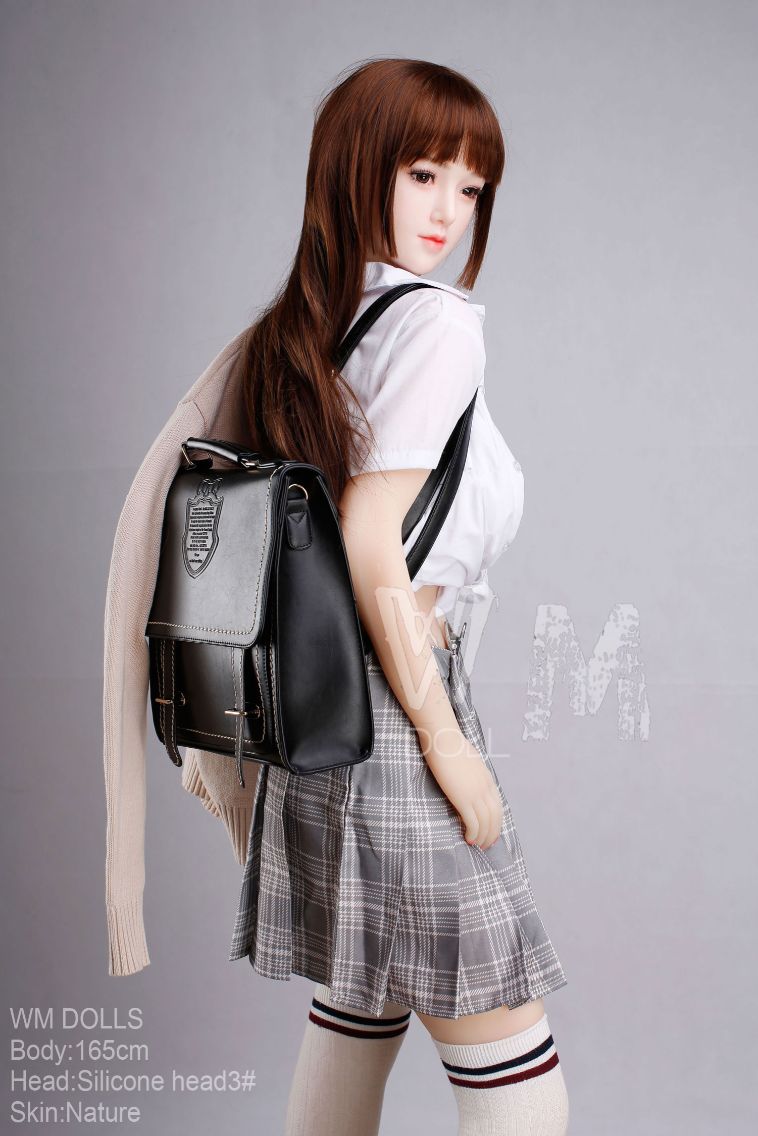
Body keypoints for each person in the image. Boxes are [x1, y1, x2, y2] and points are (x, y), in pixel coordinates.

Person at [221, 58, 570, 1135]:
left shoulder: (308, 325)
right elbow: (372, 533)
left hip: (314, 716)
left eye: (470, 188)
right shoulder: (435, 324)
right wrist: (447, 743)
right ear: (356, 165)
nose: (448, 212)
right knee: (515, 1073)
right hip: (394, 708)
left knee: (358, 1011)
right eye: (423, 173)